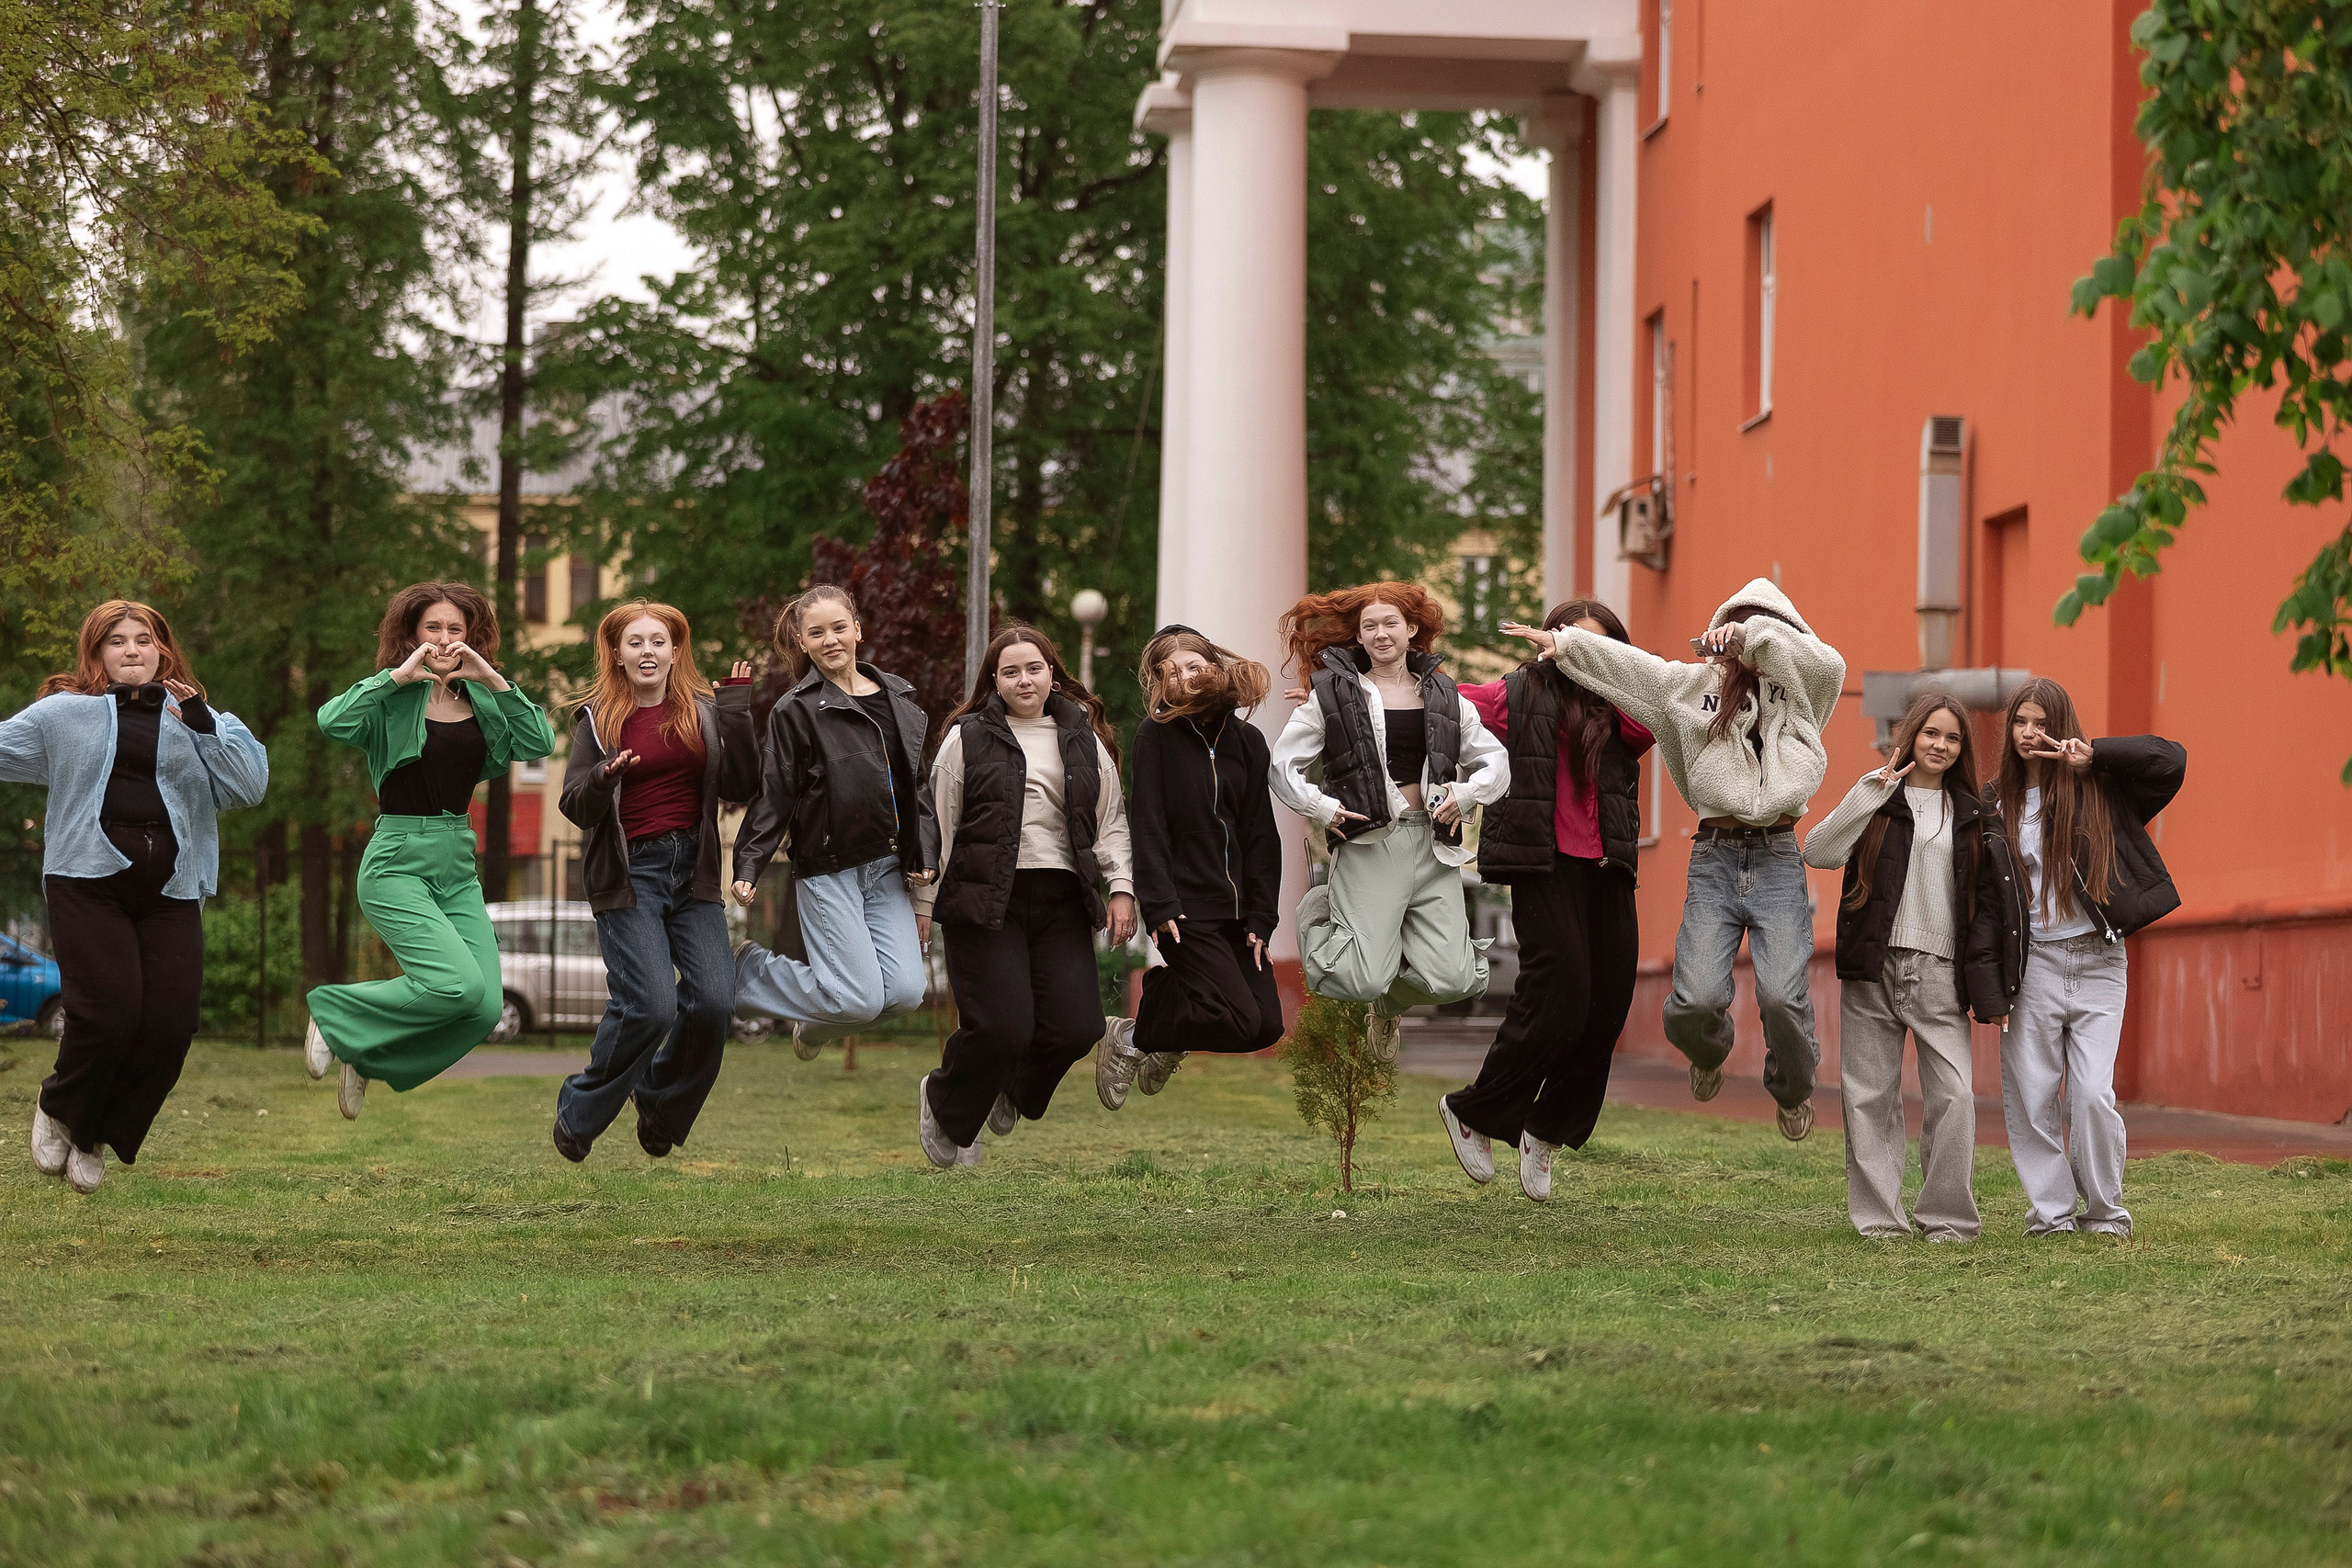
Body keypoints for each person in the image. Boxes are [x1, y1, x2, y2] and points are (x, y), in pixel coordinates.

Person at [1504, 577, 1845, 1141]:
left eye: (1761, 623)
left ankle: (1792, 1089)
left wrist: (1753, 636)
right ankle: (1707, 1053)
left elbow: (1828, 661)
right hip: (1714, 857)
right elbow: (1632, 667)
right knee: (1694, 1003)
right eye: (1735, 622)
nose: (1741, 634)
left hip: (1779, 858)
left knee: (1783, 999)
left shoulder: (1805, 687)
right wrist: (1566, 644)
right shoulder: (1690, 688)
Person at [4, 601, 269, 1193]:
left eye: (143, 639)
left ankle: (97, 1132)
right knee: (107, 1016)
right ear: (96, 653)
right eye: (116, 641)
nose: (131, 650)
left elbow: (249, 786)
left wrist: (202, 722)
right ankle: (60, 1105)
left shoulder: (198, 717)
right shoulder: (63, 714)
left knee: (171, 1026)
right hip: (86, 883)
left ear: (162, 649)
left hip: (171, 889)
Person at [304, 582, 555, 1118]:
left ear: (471, 638)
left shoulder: (482, 700)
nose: (444, 639)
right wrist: (396, 677)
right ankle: (335, 1015)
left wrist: (491, 678)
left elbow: (539, 742)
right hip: (397, 860)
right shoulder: (389, 699)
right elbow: (331, 720)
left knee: (483, 1007)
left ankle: (368, 1054)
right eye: (432, 628)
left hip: (457, 863)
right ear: (413, 635)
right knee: (455, 985)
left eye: (455, 629)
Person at [1436, 599, 1653, 1201]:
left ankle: (1547, 1126)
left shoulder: (1625, 706)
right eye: (1571, 638)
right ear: (1548, 641)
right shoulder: (1519, 695)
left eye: (1596, 642)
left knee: (1607, 1004)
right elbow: (1444, 704)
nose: (1581, 650)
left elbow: (1655, 715)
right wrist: (1349, 697)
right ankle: (1474, 1111)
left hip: (1608, 864)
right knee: (1562, 989)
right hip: (1544, 859)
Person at [1802, 690, 2025, 1241]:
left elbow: (1990, 907)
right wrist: (1867, 794)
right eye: (1931, 733)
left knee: (1955, 1096)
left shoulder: (1974, 814)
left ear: (1962, 749)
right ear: (1911, 736)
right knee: (1869, 1096)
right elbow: (1818, 851)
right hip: (1872, 966)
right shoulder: (1879, 798)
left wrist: (1992, 985)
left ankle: (1947, 1219)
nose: (1941, 745)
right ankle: (1880, 1221)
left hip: (1940, 972)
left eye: (1953, 738)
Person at [912, 624, 1136, 1168]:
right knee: (1002, 1027)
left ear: (1052, 674)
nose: (1024, 680)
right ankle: (945, 1105)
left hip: (1061, 897)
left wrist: (1121, 887)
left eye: (1034, 668)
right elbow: (938, 823)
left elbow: (1110, 821)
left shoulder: (1083, 739)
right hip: (986, 897)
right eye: (1010, 672)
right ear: (994, 681)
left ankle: (1013, 1090)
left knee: (1078, 1027)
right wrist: (923, 904)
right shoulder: (967, 738)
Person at [550, 602, 757, 1162]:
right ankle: (579, 1112)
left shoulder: (704, 713)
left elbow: (742, 785)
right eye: (635, 642)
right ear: (617, 654)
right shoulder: (599, 721)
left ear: (675, 651)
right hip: (630, 875)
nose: (648, 651)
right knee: (650, 1005)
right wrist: (602, 777)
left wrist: (737, 711)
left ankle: (662, 1107)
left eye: (659, 641)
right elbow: (574, 805)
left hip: (693, 873)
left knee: (714, 1001)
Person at [1270, 582, 1509, 1062]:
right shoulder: (1333, 694)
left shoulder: (1446, 695)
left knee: (1455, 979)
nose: (1381, 634)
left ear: (1411, 629)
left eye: (1391, 623)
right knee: (1361, 980)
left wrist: (1466, 794)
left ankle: (1389, 1006)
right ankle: (1320, 913)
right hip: (1370, 844)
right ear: (1359, 636)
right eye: (1370, 626)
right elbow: (1283, 765)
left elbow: (1496, 760)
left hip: (1434, 845)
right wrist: (1322, 808)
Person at [1989, 677, 2184, 1237]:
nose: (2029, 733)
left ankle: (2104, 1212)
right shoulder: (1994, 801)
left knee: (2093, 1094)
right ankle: (2051, 1215)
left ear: (2062, 728)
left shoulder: (2101, 787)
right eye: (2020, 722)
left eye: (2041, 723)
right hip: (2033, 964)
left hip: (2099, 959)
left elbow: (2170, 762)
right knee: (2032, 1095)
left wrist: (2095, 756)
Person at [729, 585, 939, 1058]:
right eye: (816, 633)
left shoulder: (899, 699)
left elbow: (917, 786)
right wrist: (749, 864)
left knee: (907, 992)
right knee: (859, 999)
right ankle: (751, 973)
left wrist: (926, 852)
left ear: (857, 631)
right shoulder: (795, 710)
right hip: (829, 867)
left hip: (888, 866)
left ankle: (814, 1025)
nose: (830, 640)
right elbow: (776, 792)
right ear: (803, 643)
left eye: (839, 627)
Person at [1096, 626, 1283, 1111]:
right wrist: (1159, 904)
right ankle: (1137, 1038)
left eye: (1194, 666)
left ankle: (1148, 1031)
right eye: (1172, 672)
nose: (1185, 678)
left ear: (1215, 668)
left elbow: (1261, 835)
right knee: (1240, 1021)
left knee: (1266, 1026)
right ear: (1160, 683)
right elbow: (1149, 824)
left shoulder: (1249, 741)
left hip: (1240, 913)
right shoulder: (1155, 736)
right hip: (1184, 910)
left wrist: (1263, 916)